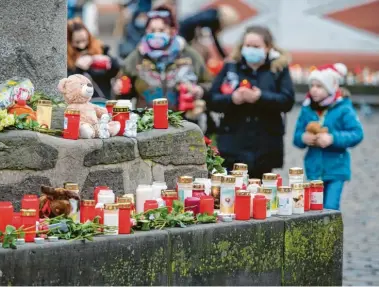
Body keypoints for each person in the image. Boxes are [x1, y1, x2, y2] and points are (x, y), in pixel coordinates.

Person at [207, 26, 294, 178]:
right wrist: (233, 99)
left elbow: (287, 101)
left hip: (265, 144)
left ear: (267, 48)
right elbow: (212, 100)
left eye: (256, 46)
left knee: (260, 194)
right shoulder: (231, 67)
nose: (251, 50)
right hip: (233, 142)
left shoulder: (278, 69)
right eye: (248, 46)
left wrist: (261, 97)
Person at [113, 5, 211, 111]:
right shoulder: (136, 57)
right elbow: (122, 92)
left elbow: (210, 85)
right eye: (152, 30)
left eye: (161, 30)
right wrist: (119, 89)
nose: (156, 35)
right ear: (146, 31)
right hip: (146, 121)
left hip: (182, 121)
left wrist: (199, 90)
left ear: (172, 31)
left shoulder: (189, 55)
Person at [293, 64, 363, 210]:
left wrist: (333, 138)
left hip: (336, 169)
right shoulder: (307, 109)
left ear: (331, 87)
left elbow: (357, 133)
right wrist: (303, 138)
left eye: (319, 86)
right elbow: (296, 136)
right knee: (314, 209)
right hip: (314, 170)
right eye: (312, 85)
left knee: (330, 208)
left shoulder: (343, 108)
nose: (314, 89)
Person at [67, 18, 120, 100]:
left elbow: (115, 69)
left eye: (84, 41)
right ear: (70, 42)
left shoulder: (99, 49)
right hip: (79, 104)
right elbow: (67, 85)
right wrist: (78, 68)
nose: (82, 46)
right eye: (77, 42)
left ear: (89, 38)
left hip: (103, 101)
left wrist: (107, 61)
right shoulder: (67, 58)